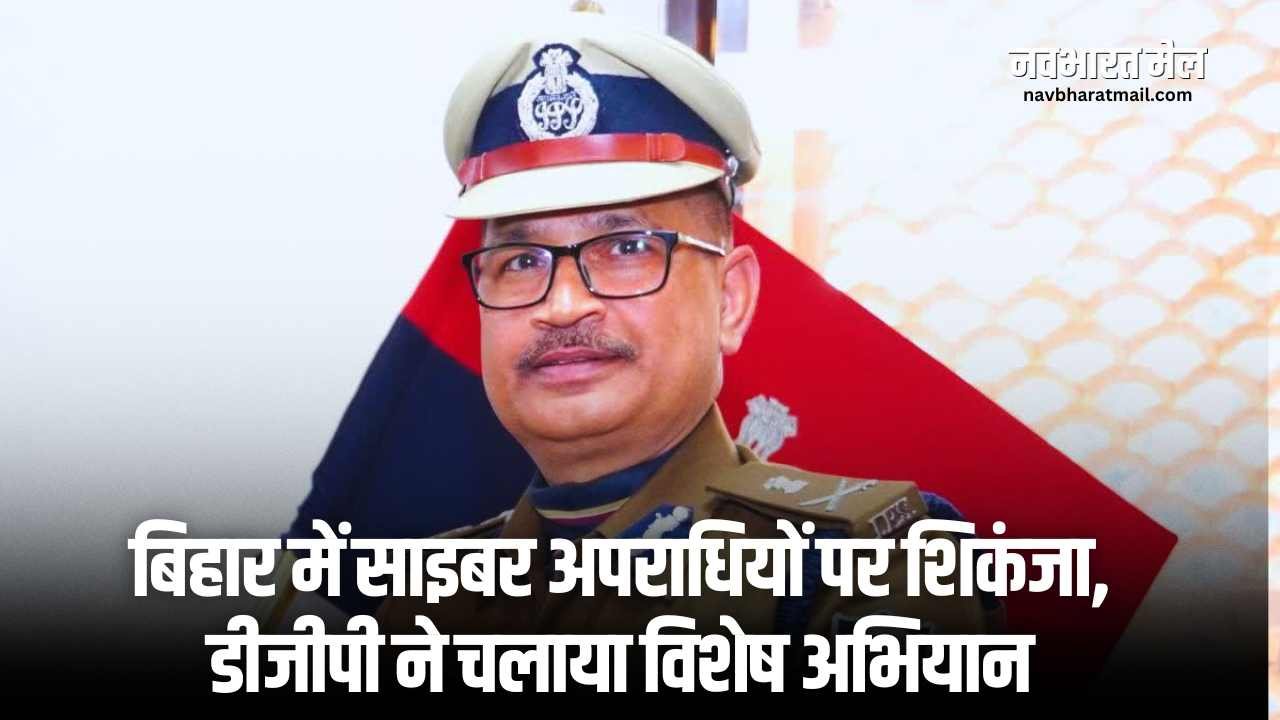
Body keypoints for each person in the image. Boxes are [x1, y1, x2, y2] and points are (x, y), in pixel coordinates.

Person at [370, 8, 996, 640]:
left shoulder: (859, 566)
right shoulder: (426, 599)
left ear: (730, 300)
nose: (561, 305)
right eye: (522, 260)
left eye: (626, 248)